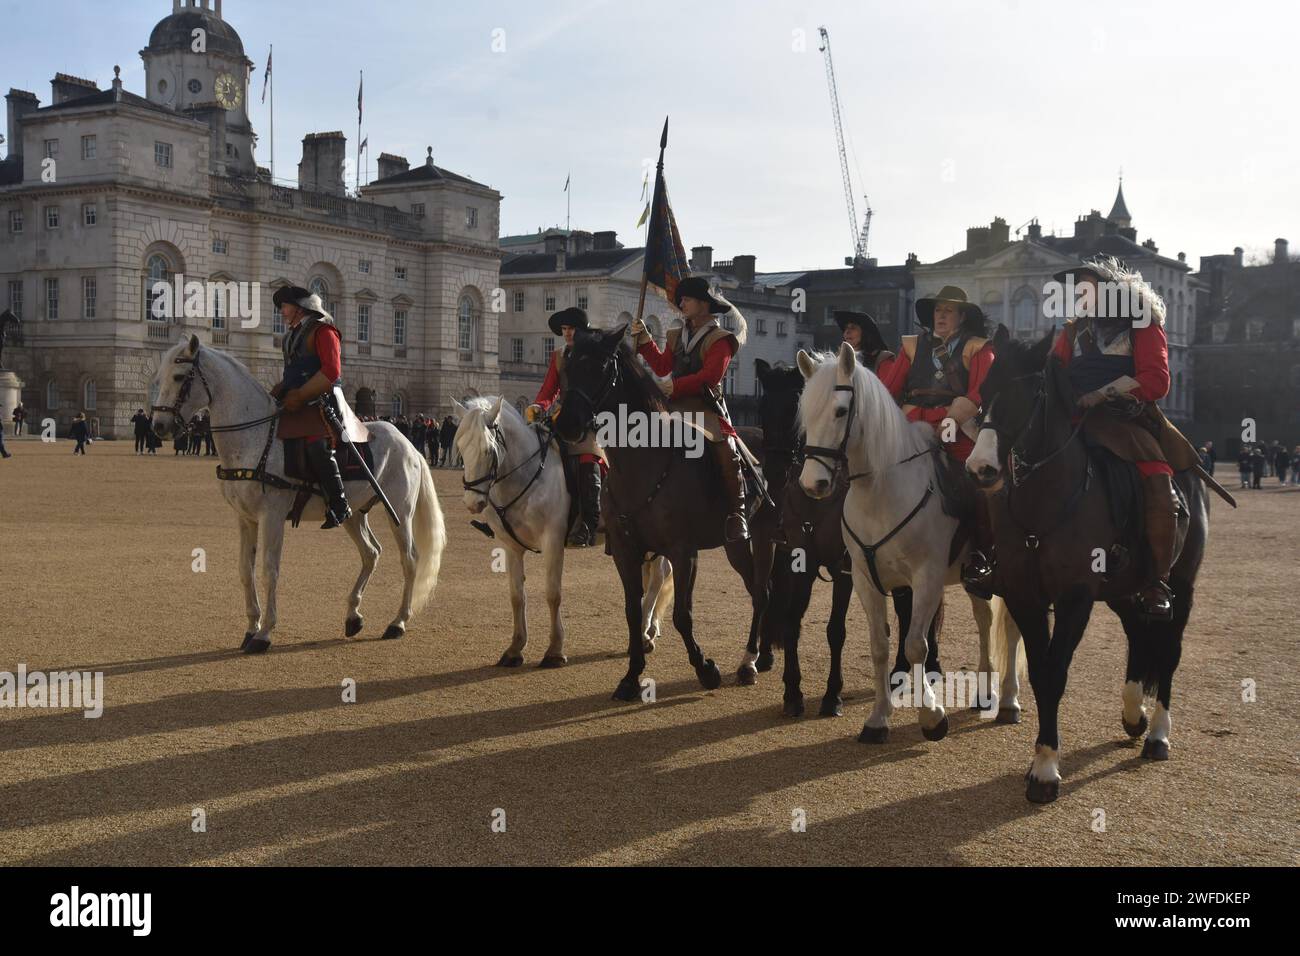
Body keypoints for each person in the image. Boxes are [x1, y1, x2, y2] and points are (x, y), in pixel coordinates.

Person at [1046, 258, 1202, 620]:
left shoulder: (1143, 325)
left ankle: (1156, 580)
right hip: (1072, 418)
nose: (1081, 294)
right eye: (1078, 289)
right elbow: (1052, 373)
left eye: (1088, 287)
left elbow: (1156, 381)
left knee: (1158, 477)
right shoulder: (1072, 331)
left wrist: (1102, 394)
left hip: (1124, 420)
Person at [877, 285, 996, 597]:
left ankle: (982, 556)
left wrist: (952, 418)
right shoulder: (912, 346)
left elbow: (980, 392)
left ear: (962, 317)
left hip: (955, 425)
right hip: (910, 423)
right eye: (938, 311)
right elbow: (889, 389)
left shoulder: (978, 347)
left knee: (979, 483)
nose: (941, 316)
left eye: (948, 311)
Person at [631, 275, 751, 542]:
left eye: (686, 299)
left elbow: (709, 378)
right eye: (681, 299)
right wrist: (645, 341)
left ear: (703, 304)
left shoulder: (721, 339)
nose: (681, 303)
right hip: (672, 406)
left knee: (725, 448)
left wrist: (674, 386)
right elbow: (662, 366)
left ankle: (737, 512)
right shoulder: (676, 334)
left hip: (704, 407)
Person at [268, 286, 351, 529]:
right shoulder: (291, 337)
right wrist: (280, 390)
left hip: (321, 402)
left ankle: (339, 503)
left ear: (300, 308)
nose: (282, 311)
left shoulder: (324, 331)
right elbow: (293, 374)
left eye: (285, 306)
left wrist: (302, 394)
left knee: (316, 444)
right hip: (296, 402)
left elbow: (331, 372)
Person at [528, 308, 607, 546]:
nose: (567, 333)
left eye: (572, 328)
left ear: (582, 331)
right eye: (564, 329)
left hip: (590, 420)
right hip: (563, 417)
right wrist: (539, 405)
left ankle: (588, 524)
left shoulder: (593, 354)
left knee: (586, 459)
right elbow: (549, 389)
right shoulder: (559, 355)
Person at [836, 310, 895, 374]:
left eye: (853, 328)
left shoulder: (882, 359)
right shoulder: (838, 360)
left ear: (865, 333)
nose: (847, 332)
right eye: (846, 328)